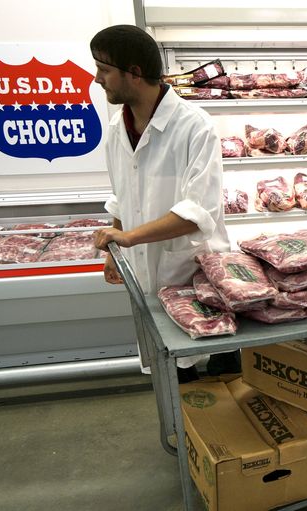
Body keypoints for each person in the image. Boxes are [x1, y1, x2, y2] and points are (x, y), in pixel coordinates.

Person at [90, 24, 238, 380]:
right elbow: (122, 199)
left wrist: (129, 238)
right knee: (172, 373)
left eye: (105, 69)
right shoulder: (115, 129)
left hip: (195, 270)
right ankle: (181, 436)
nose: (97, 79)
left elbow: (197, 213)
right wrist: (115, 249)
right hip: (146, 272)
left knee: (225, 370)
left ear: (135, 73)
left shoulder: (194, 126)